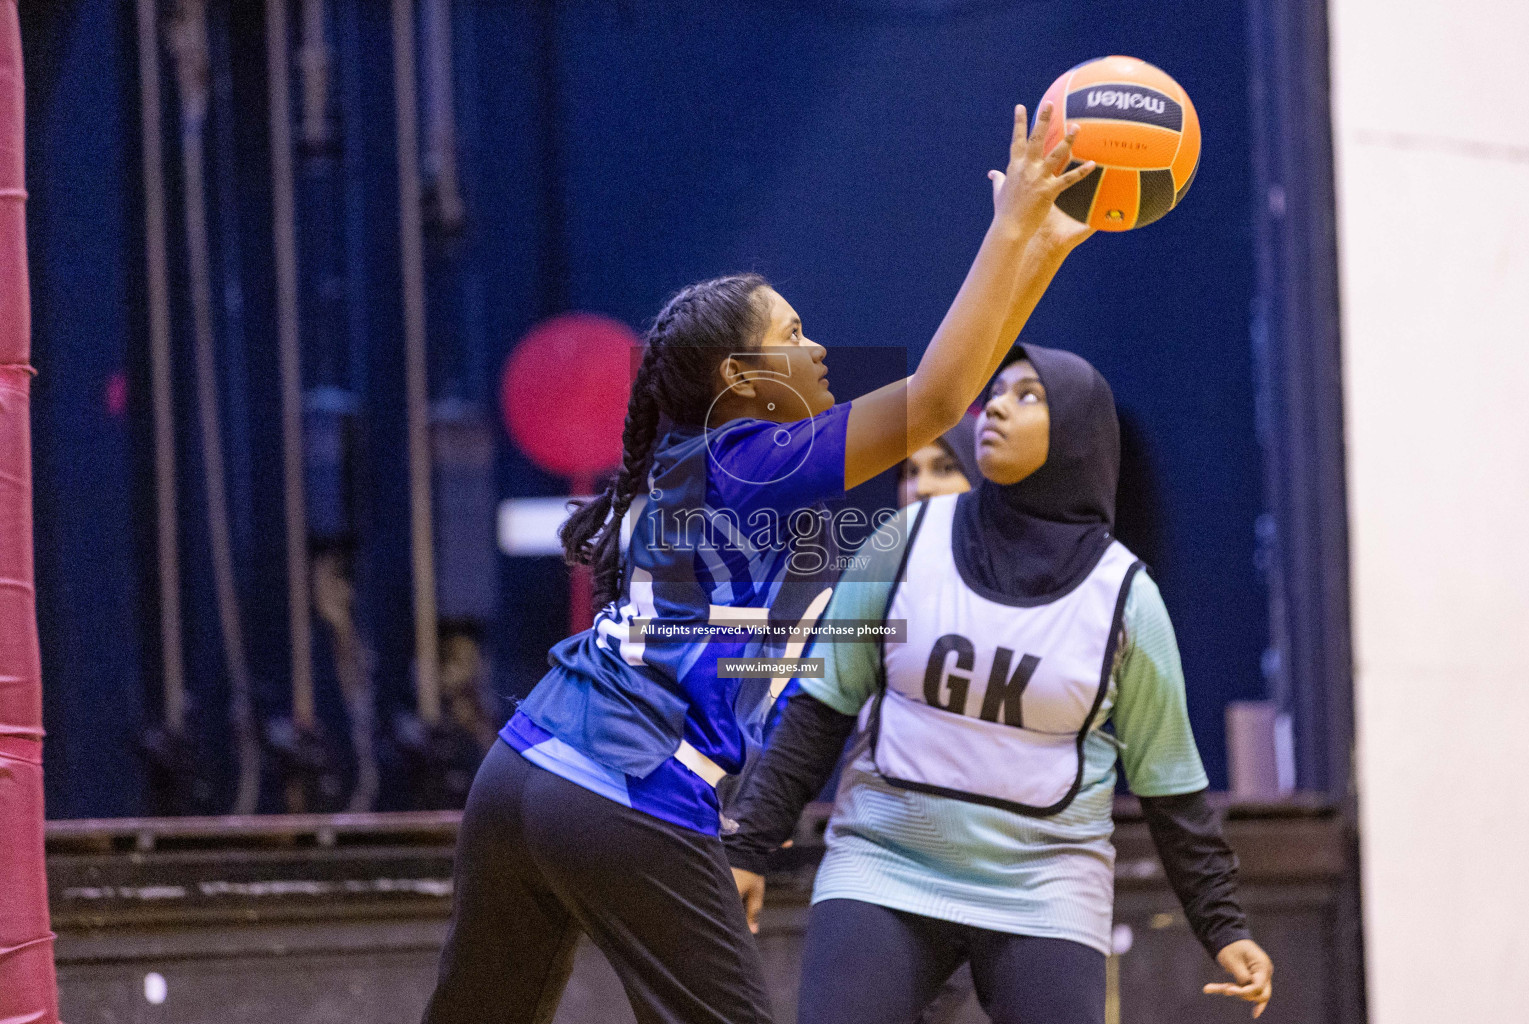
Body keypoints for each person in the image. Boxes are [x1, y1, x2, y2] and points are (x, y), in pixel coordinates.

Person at [420, 106, 1097, 1024]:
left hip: (518, 774)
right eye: (791, 335)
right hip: (624, 786)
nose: (817, 348)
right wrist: (1010, 232)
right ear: (742, 381)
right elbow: (937, 396)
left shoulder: (699, 471)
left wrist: (1039, 250)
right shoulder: (752, 462)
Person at [725, 345, 1276, 1024]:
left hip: (1045, 886)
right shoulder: (903, 537)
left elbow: (1170, 783)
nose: (995, 408)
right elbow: (821, 708)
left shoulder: (1127, 599)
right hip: (887, 863)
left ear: (1075, 434)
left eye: (1028, 397)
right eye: (995, 392)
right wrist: (748, 846)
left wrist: (1224, 926)